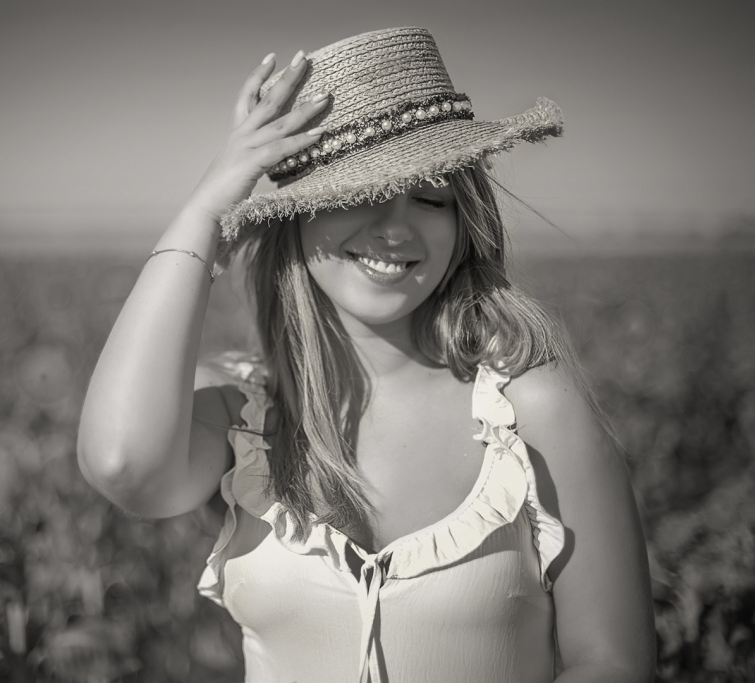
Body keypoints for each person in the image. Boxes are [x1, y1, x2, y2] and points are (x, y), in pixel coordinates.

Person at [78, 27, 656, 683]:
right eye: (361, 193)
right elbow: (124, 463)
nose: (396, 228)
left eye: (431, 197)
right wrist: (206, 211)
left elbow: (612, 663)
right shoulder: (242, 415)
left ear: (464, 219)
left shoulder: (531, 408)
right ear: (295, 214)